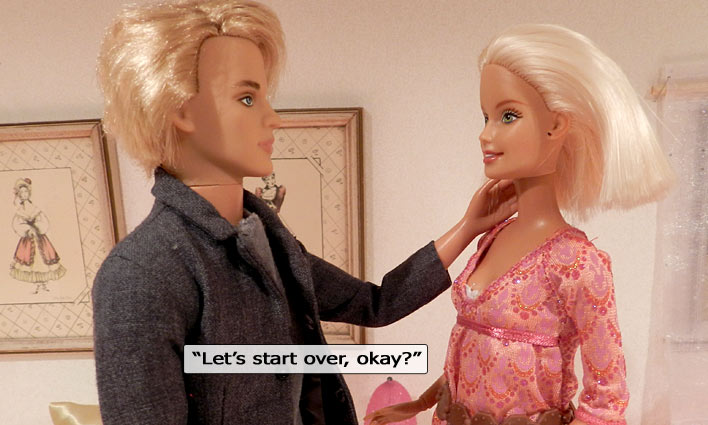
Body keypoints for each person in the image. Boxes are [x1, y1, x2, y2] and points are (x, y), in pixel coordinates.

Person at [91, 1, 517, 424]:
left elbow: (374, 304)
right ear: (181, 110)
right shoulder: (142, 272)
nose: (273, 118)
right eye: (246, 98)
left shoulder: (268, 241)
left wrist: (468, 227)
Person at [365, 24, 673, 425]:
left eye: (507, 116)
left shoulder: (577, 262)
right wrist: (421, 403)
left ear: (555, 125)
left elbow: (606, 400)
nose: (485, 134)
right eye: (485, 117)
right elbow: (479, 350)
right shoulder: (495, 235)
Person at [10, 177, 66, 293]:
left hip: (40, 239)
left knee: (44, 259)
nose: (24, 194)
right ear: (19, 195)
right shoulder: (20, 211)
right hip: (27, 241)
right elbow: (17, 224)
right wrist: (27, 229)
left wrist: (37, 227)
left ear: (29, 193)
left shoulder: (35, 209)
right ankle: (37, 285)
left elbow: (44, 221)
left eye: (26, 191)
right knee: (31, 262)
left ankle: (43, 284)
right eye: (22, 192)